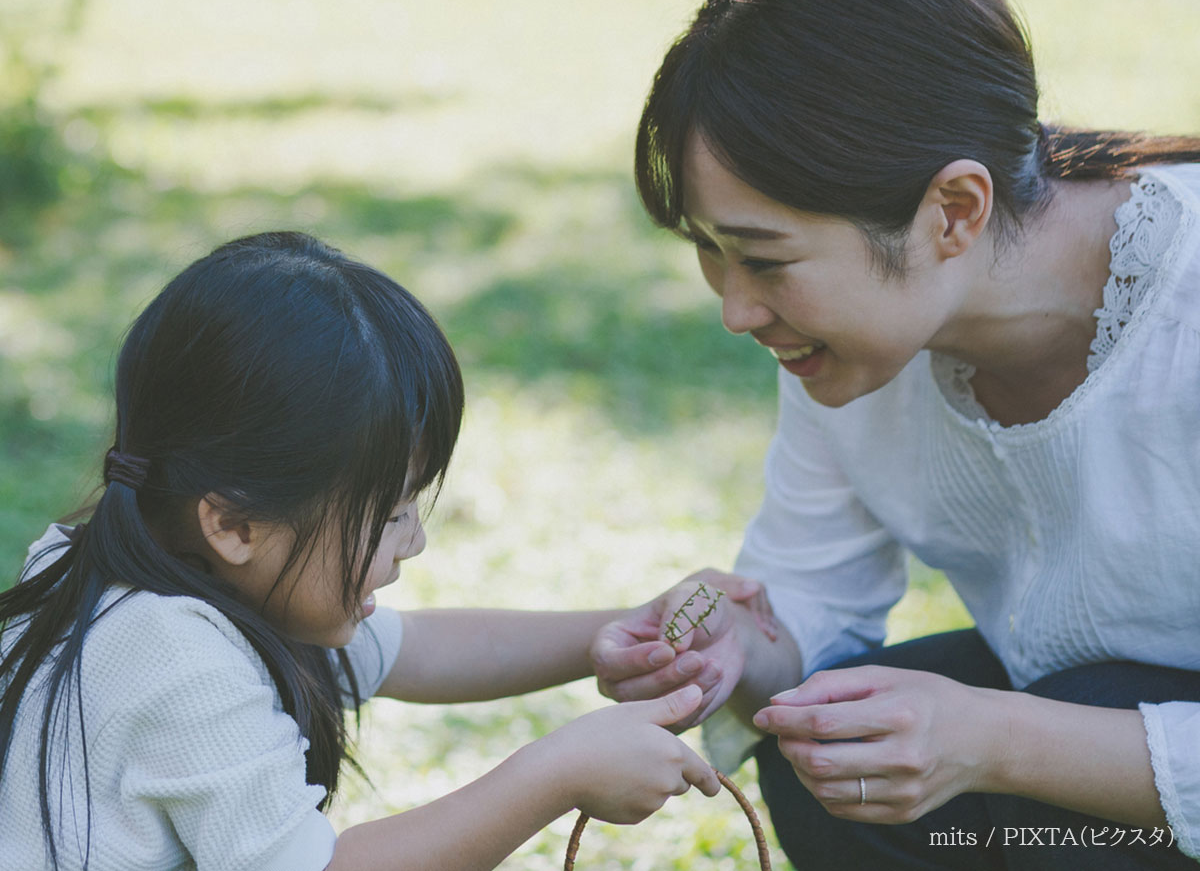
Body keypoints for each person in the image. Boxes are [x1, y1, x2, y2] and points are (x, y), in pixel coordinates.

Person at [588, 0, 1200, 867]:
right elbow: (811, 584)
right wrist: (735, 648)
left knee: (1072, 800)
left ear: (953, 212)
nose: (735, 309)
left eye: (763, 258)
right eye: (709, 252)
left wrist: (999, 738)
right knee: (830, 752)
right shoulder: (851, 344)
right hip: (1085, 703)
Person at [0, 231, 724, 871]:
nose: (415, 540)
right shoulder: (174, 661)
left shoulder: (127, 569)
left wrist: (612, 632)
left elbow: (419, 649)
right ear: (234, 525)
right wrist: (555, 773)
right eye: (390, 513)